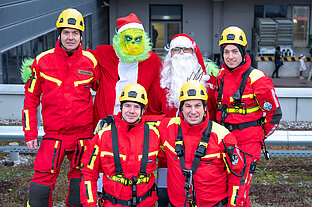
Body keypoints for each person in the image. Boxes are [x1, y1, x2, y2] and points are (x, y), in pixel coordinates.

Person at [21, 8, 99, 207]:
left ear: (81, 36)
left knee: (81, 186)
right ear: (59, 34)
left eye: (75, 33)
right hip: (54, 135)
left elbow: (104, 93)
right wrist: (30, 133)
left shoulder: (91, 62)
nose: (70, 37)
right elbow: (30, 99)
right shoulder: (42, 61)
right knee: (40, 187)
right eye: (66, 32)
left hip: (83, 134)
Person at [146, 33, 218, 207]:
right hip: (167, 155)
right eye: (176, 50)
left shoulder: (209, 83)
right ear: (169, 54)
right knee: (165, 198)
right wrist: (169, 123)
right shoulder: (159, 84)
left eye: (185, 50)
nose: (180, 54)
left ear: (193, 53)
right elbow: (150, 114)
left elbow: (215, 116)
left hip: (201, 152)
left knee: (200, 197)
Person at [216, 26, 282, 206]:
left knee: (236, 195)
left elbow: (274, 114)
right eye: (226, 51)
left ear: (243, 52)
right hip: (224, 144)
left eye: (235, 51)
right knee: (229, 192)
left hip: (247, 146)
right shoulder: (221, 75)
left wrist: (258, 137)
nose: (230, 56)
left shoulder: (257, 78)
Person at [157, 80, 246, 207]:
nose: (193, 111)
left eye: (197, 105)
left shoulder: (222, 136)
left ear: (205, 108)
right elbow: (138, 124)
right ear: (181, 108)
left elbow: (237, 176)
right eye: (188, 106)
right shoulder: (167, 128)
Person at [80, 83, 160, 207]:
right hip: (113, 203)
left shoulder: (155, 133)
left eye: (136, 107)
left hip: (146, 203)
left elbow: (181, 123)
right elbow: (88, 175)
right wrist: (89, 204)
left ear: (143, 110)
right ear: (121, 107)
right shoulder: (103, 136)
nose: (131, 111)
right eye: (127, 106)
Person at [88, 13, 162, 127]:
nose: (133, 43)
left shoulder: (152, 60)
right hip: (105, 124)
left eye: (137, 39)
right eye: (128, 39)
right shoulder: (105, 53)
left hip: (137, 125)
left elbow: (166, 79)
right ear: (120, 40)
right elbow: (81, 58)